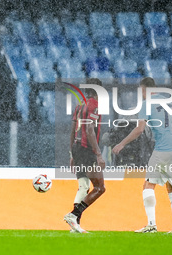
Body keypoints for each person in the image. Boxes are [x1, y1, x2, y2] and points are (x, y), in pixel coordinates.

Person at [112, 77, 172, 233]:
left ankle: (151, 225)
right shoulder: (168, 102)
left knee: (148, 185)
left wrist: (122, 144)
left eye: (141, 91)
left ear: (145, 89)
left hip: (163, 149)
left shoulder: (146, 105)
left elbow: (139, 129)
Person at [64, 78, 106, 233]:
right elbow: (89, 130)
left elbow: (73, 130)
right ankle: (73, 214)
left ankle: (75, 225)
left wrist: (72, 154)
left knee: (84, 186)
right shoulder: (94, 105)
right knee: (100, 188)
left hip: (77, 148)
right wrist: (99, 154)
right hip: (87, 150)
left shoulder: (79, 107)